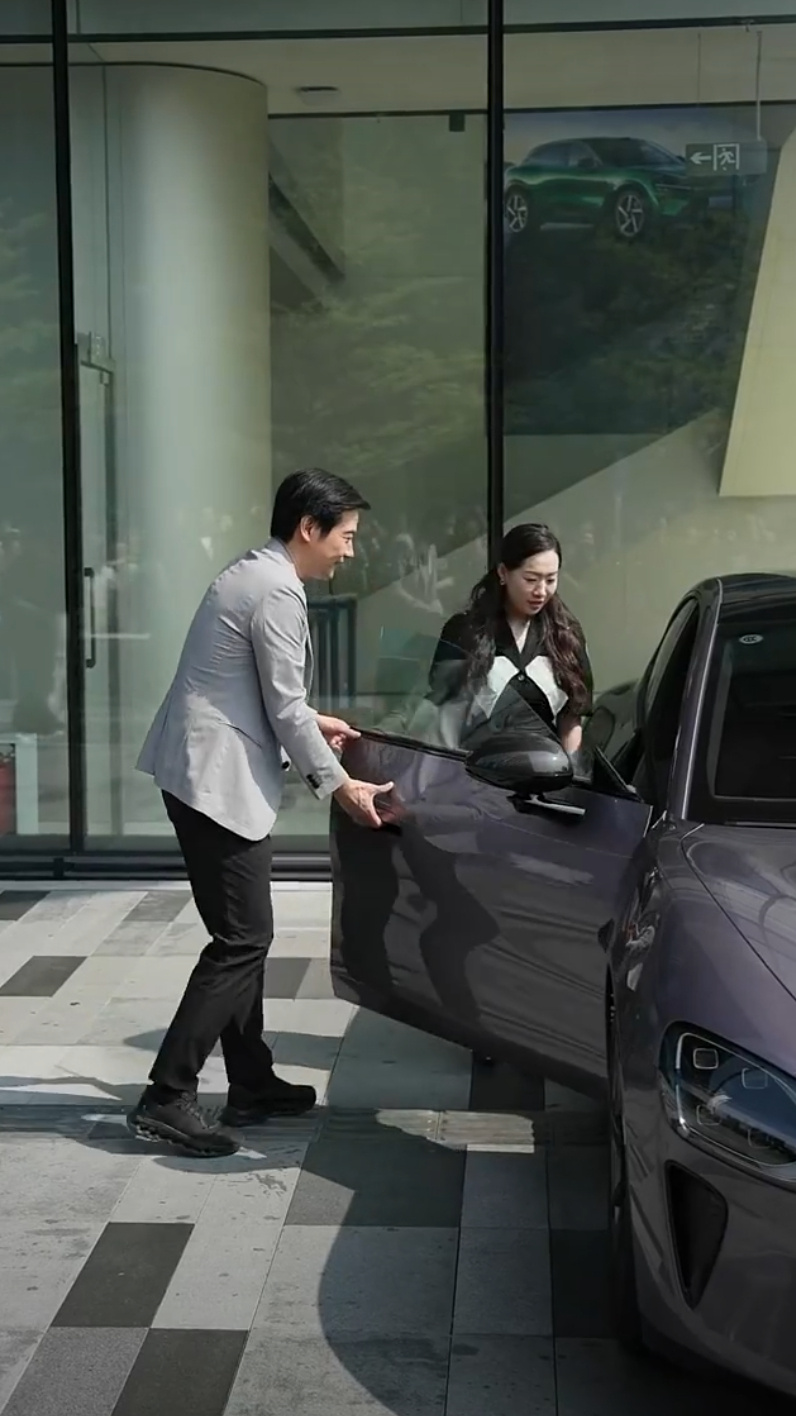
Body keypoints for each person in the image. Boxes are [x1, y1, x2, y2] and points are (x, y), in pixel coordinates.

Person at [127, 468, 393, 1157]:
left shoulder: (256, 573)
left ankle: (250, 1081)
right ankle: (166, 1095)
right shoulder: (275, 590)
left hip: (201, 773)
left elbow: (262, 694)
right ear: (309, 528)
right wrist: (342, 787)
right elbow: (284, 707)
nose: (350, 550)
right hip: (212, 783)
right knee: (243, 940)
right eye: (346, 536)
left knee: (241, 936)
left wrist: (312, 720)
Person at [427, 522, 592, 753]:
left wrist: (573, 770)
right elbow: (445, 717)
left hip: (545, 767)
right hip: (474, 766)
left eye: (550, 580)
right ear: (503, 573)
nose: (541, 591)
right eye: (531, 579)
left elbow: (571, 719)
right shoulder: (464, 632)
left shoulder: (566, 635)